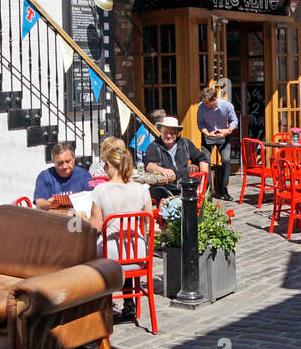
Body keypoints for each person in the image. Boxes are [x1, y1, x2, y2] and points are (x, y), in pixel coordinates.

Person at [90, 137, 153, 320]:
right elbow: (148, 224)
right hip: (138, 253)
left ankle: (99, 306)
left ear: (108, 165)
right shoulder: (142, 190)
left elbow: (95, 226)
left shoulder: (100, 191)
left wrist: (81, 218)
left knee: (88, 253)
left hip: (112, 255)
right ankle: (129, 302)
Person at [142, 116, 210, 202]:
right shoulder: (154, 146)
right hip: (166, 188)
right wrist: (162, 170)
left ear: (177, 133)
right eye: (166, 132)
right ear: (160, 131)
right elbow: (148, 165)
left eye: (172, 133)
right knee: (158, 193)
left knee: (206, 197)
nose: (169, 135)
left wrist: (203, 181)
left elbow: (202, 158)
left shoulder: (185, 143)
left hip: (186, 186)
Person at [196, 86, 238, 200]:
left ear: (214, 100)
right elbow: (200, 123)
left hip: (223, 135)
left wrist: (228, 131)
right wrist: (206, 133)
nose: (204, 105)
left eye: (207, 103)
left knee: (226, 160)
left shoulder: (227, 106)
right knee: (205, 162)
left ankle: (223, 190)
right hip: (208, 135)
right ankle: (208, 191)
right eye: (203, 102)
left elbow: (235, 121)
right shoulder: (201, 107)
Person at [32, 141, 92, 209]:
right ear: (54, 162)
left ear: (74, 159)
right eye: (60, 163)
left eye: (68, 161)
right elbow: (39, 202)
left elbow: (91, 200)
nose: (65, 166)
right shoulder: (44, 177)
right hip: (54, 216)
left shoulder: (84, 175)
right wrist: (47, 204)